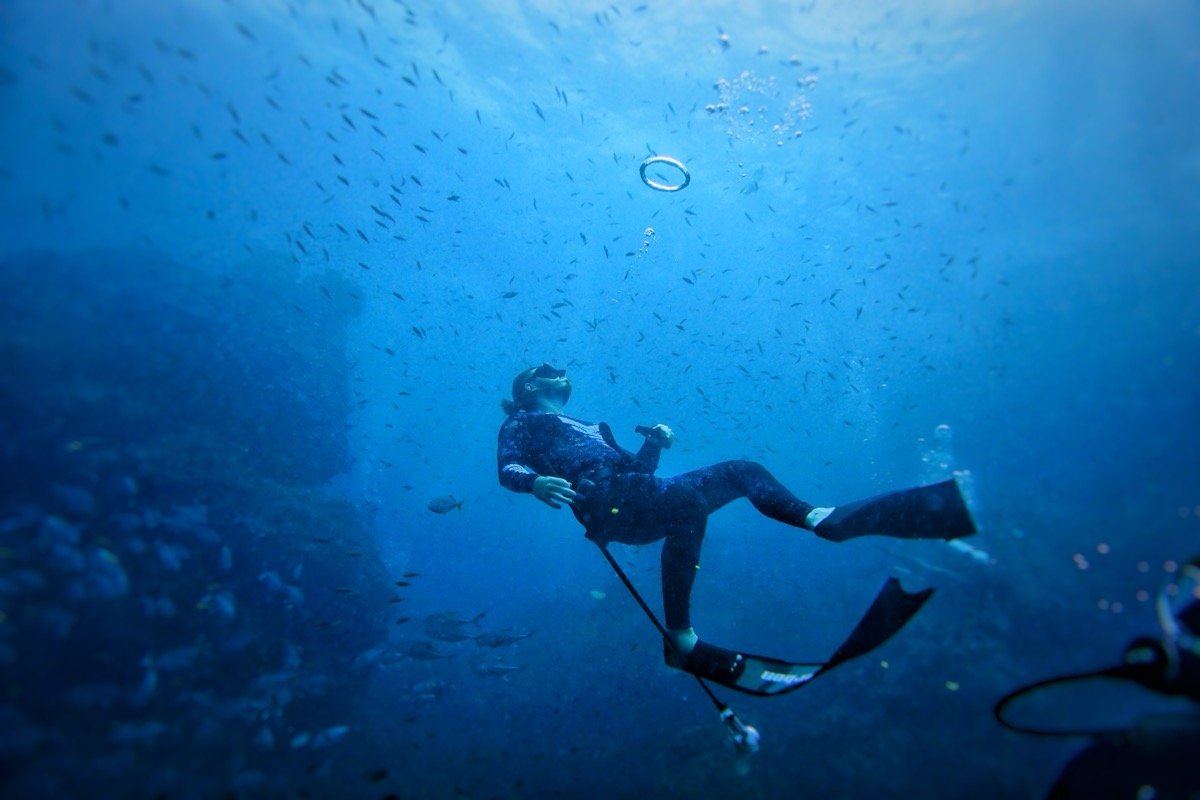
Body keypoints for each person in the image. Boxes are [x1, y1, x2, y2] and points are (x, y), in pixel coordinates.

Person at [496, 363, 975, 679]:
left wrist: (654, 445)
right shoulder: (520, 423)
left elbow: (639, 471)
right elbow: (508, 467)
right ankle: (681, 634)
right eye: (548, 370)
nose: (561, 372)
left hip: (640, 495)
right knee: (686, 500)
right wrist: (534, 484)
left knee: (742, 470)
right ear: (531, 387)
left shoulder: (592, 426)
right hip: (608, 506)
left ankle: (818, 517)